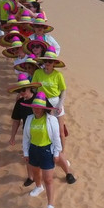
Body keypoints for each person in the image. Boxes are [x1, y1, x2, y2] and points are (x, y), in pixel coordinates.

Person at [32, 51, 76, 184]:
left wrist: (60, 104)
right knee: (49, 130)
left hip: (56, 103)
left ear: (54, 64)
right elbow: (33, 87)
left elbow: (63, 90)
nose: (47, 64)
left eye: (50, 62)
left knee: (61, 131)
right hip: (42, 103)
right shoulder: (38, 73)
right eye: (46, 61)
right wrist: (39, 96)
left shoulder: (58, 75)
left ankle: (62, 153)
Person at [22, 92, 61, 208]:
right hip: (33, 149)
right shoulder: (29, 119)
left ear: (43, 109)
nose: (36, 110)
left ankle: (50, 205)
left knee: (48, 179)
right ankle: (38, 187)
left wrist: (56, 153)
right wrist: (26, 152)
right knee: (35, 173)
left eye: (39, 108)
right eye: (34, 107)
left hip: (46, 151)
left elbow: (56, 138)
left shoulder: (51, 120)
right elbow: (25, 138)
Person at [7, 74, 38, 185]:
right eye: (20, 90)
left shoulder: (39, 98)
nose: (22, 92)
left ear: (30, 88)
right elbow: (16, 121)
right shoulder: (19, 103)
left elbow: (50, 115)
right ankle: (31, 177)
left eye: (24, 89)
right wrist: (12, 136)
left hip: (42, 131)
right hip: (27, 133)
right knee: (28, 155)